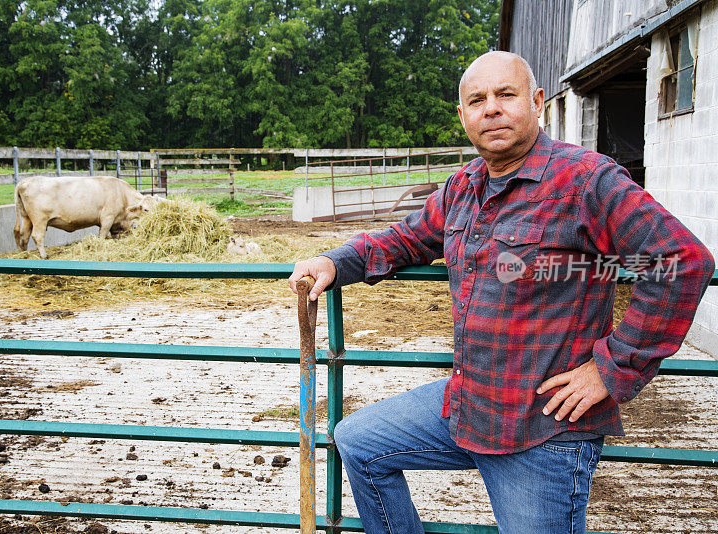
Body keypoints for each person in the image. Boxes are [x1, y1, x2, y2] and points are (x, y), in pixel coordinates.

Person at [288, 51, 715, 533]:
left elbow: (681, 260)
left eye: (505, 95)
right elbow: (407, 237)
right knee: (359, 441)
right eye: (477, 100)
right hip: (469, 403)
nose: (491, 108)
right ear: (464, 117)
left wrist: (612, 367)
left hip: (543, 427)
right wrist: (335, 262)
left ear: (536, 103)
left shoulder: (586, 180)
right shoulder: (462, 187)